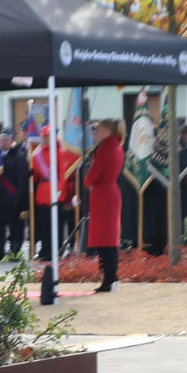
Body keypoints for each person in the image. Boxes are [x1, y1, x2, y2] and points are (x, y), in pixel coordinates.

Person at [85, 119, 124, 292]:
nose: (96, 132)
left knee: (105, 240)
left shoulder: (105, 148)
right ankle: (111, 277)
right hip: (110, 192)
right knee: (109, 239)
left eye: (99, 129)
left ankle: (109, 278)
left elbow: (93, 174)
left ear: (107, 130)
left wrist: (87, 180)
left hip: (103, 194)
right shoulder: (116, 146)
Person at [31, 125, 78, 261]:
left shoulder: (62, 151)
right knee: (44, 226)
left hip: (58, 192)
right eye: (43, 136)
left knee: (56, 227)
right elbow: (36, 176)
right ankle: (45, 251)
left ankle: (55, 251)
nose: (44, 139)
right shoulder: (37, 154)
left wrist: (63, 194)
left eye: (47, 136)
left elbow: (65, 174)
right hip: (43, 194)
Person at [0, 130, 28, 261]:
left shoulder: (18, 156)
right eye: (1, 139)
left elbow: (22, 178)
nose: (3, 142)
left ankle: (14, 250)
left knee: (15, 227)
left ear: (11, 141)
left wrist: (20, 197)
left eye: (6, 139)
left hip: (12, 199)